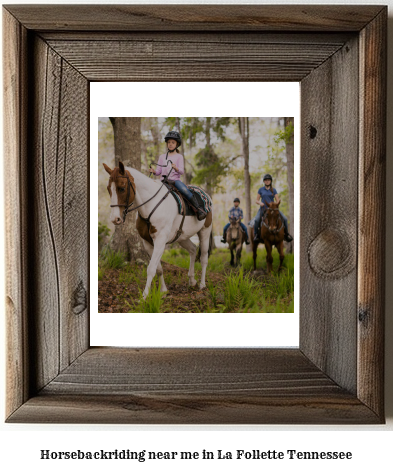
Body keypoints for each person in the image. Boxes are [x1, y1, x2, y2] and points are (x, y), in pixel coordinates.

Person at [149, 131, 206, 220]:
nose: (170, 144)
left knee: (185, 190)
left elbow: (182, 171)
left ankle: (199, 209)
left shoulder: (179, 157)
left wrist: (176, 168)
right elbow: (158, 172)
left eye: (173, 142)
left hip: (175, 181)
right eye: (169, 142)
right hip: (163, 182)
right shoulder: (162, 157)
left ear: (177, 144)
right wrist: (153, 171)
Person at [253, 174, 293, 243]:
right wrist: (260, 203)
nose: (267, 181)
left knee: (285, 219)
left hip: (273, 209)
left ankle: (286, 234)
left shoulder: (273, 190)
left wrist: (277, 203)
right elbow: (256, 200)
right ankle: (256, 235)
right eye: (266, 180)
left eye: (268, 180)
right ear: (264, 181)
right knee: (256, 220)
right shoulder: (261, 189)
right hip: (263, 208)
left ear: (270, 181)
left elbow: (277, 200)